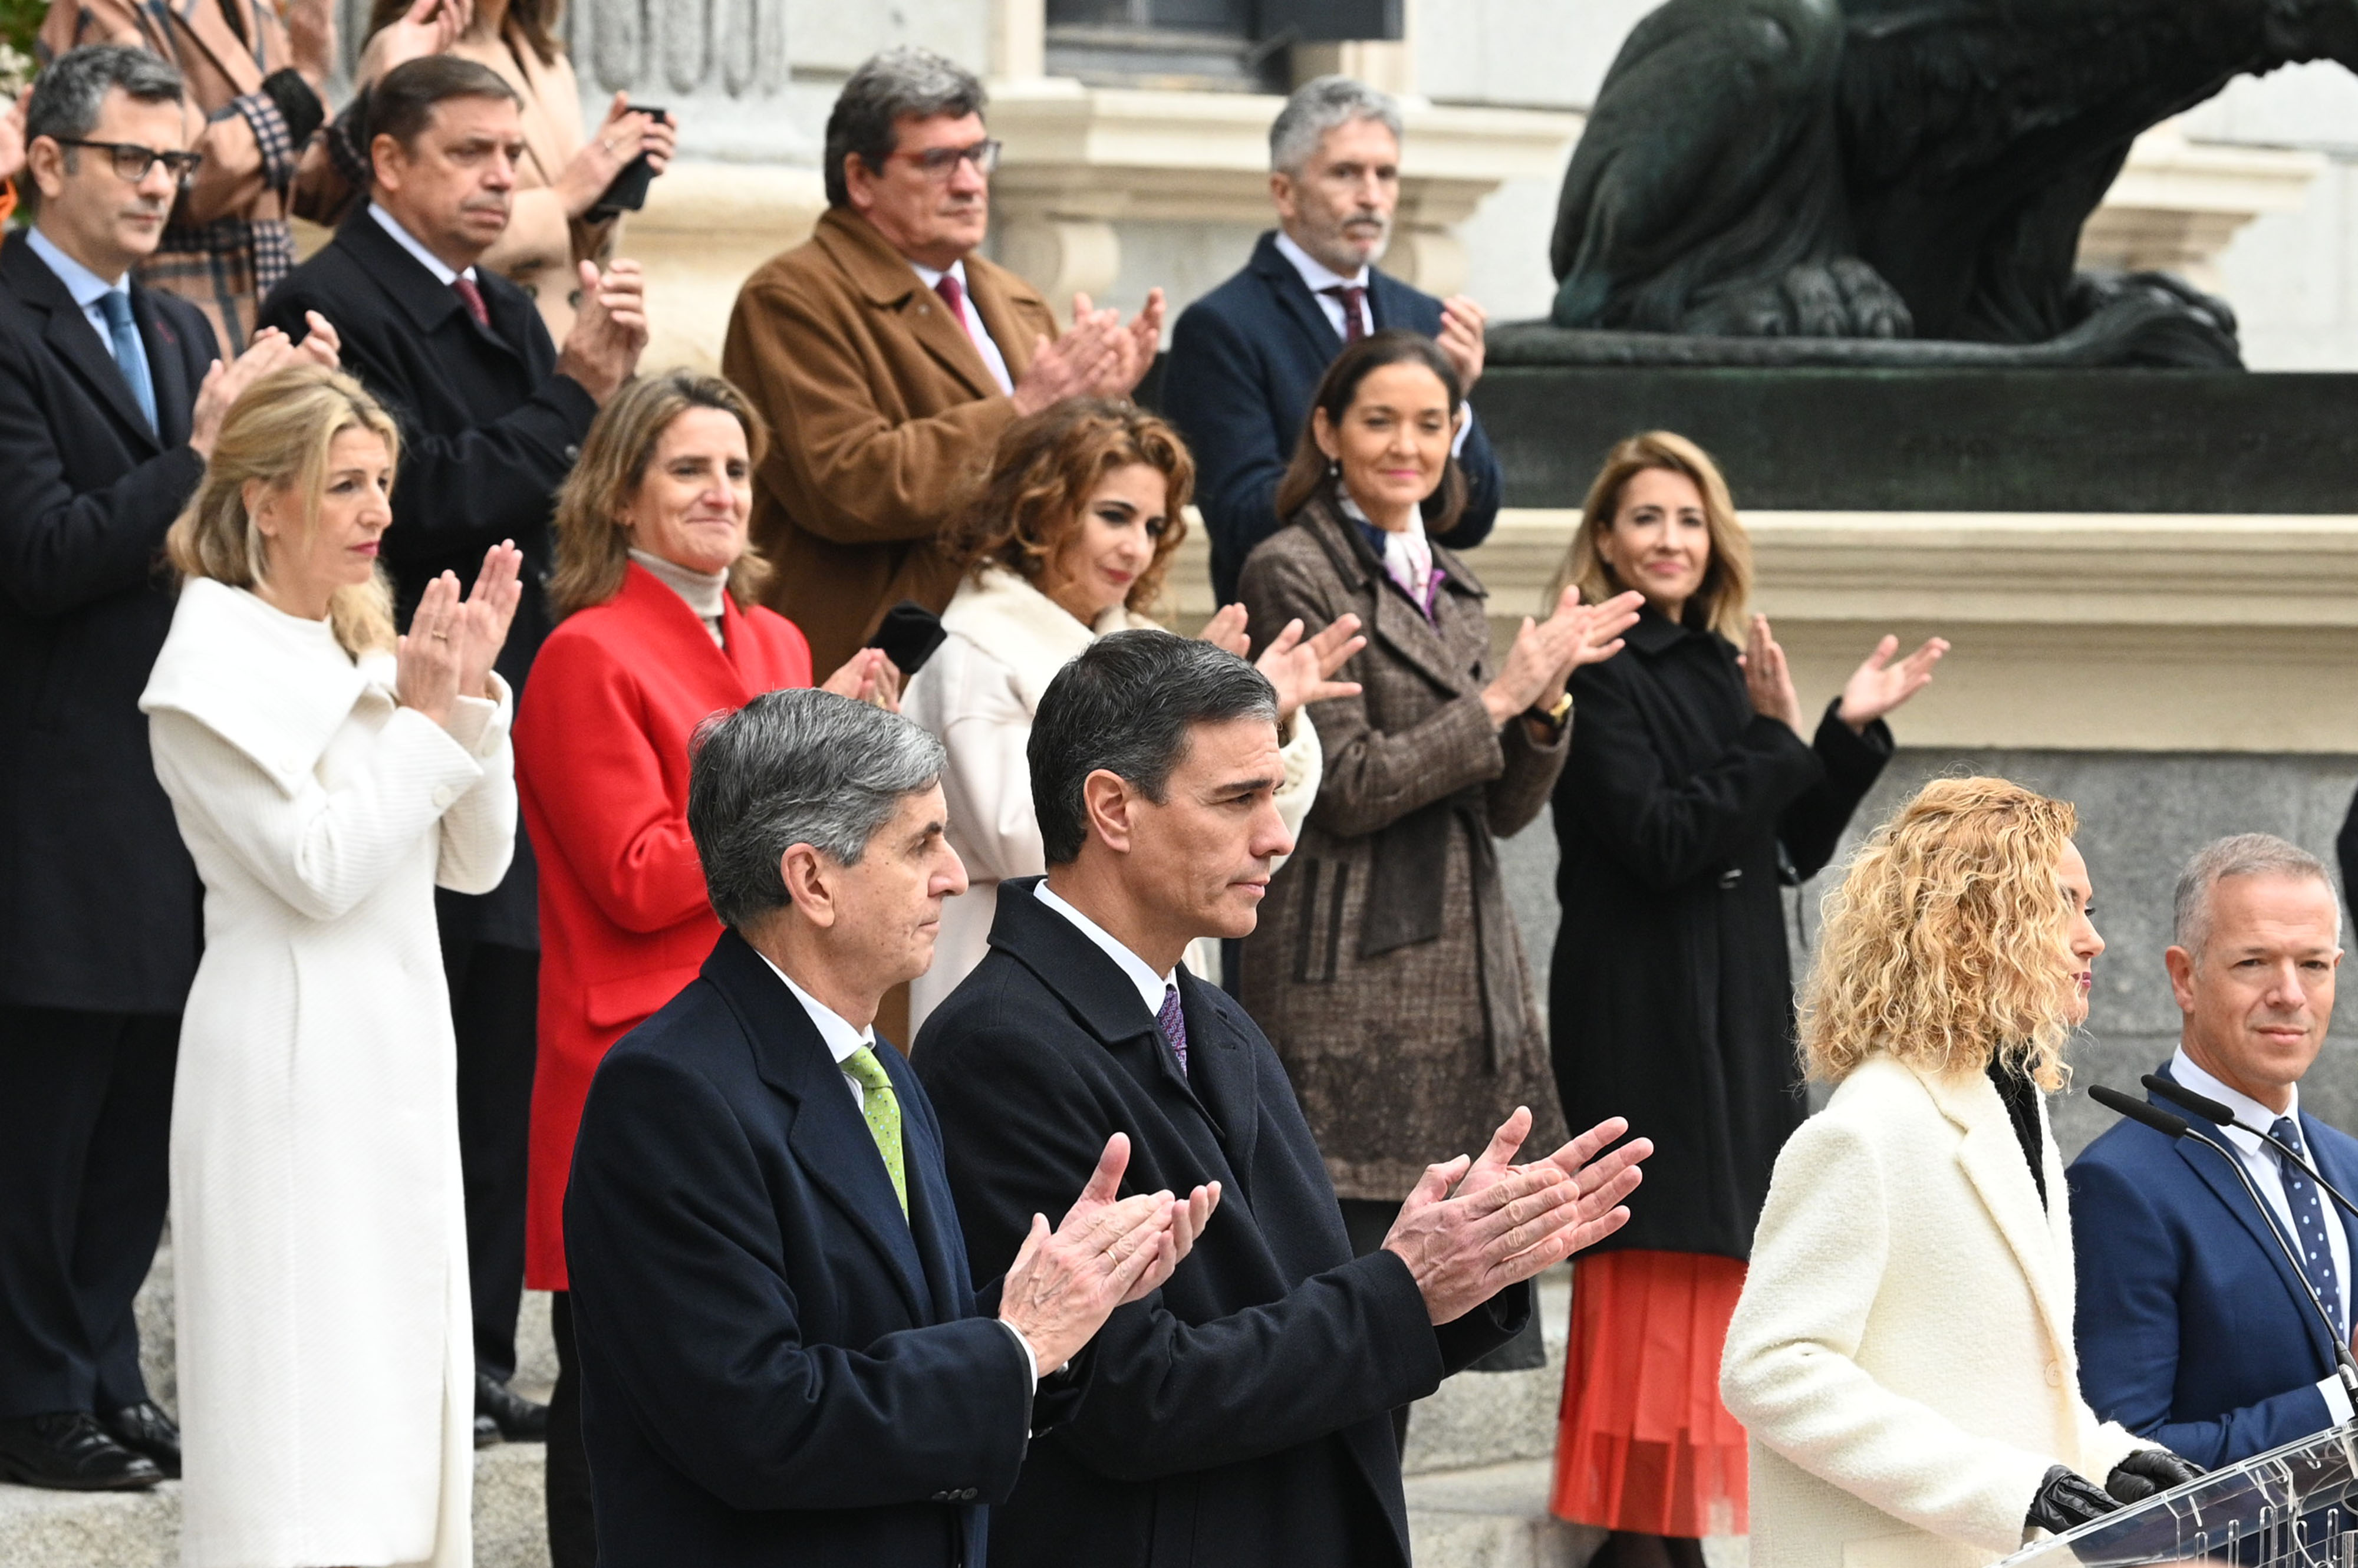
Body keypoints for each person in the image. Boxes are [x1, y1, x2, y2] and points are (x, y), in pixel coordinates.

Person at [915, 630, 1654, 1567]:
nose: (1275, 834)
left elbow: (1294, 1312)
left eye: (1272, 794)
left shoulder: (1217, 1020)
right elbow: (1127, 1400)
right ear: (1111, 809)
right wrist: (1403, 1288)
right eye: (1237, 800)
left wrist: (1464, 1272)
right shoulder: (998, 1047)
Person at [564, 687, 1211, 1567]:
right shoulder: (669, 1094)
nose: (953, 875)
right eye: (919, 845)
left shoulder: (884, 1073)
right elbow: (759, 1420)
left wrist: (1075, 1302)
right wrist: (1017, 1345)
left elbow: (903, 1342)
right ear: (813, 882)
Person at [259, 51, 650, 1441]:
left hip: (507, 715)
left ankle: (480, 1349)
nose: (504, 179)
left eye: (513, 156)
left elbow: (549, 510)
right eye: (473, 155)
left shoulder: (495, 303)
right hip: (394, 719)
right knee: (428, 1050)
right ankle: (428, 1352)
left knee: (502, 1049)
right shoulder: (325, 303)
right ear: (388, 162)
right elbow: (409, 502)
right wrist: (571, 396)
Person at [0, 44, 334, 1493]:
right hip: (47, 778)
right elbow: (42, 555)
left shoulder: (187, 333)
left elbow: (224, 549)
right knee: (46, 1106)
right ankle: (22, 1394)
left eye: (171, 161)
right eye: (129, 159)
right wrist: (200, 463)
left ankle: (100, 1368)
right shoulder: (5, 323)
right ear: (48, 162)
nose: (156, 186)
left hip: (178, 785)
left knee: (145, 1098)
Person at [140, 365, 522, 1568]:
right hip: (285, 1062)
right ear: (263, 498)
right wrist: (417, 723)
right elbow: (316, 866)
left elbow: (471, 863)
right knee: (298, 1411)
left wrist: (467, 704)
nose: (374, 512)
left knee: (394, 1376)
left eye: (383, 485)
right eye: (342, 485)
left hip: (392, 1048)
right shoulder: (203, 671)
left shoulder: (363, 637)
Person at [516, 369, 900, 1564]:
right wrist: (795, 790)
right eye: (688, 467)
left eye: (736, 469)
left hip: (778, 1038)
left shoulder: (782, 636)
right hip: (636, 1050)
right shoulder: (585, 652)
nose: (721, 492)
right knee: (612, 1390)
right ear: (620, 495)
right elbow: (635, 873)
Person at [1545, 430, 1945, 1563]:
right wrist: (1775, 739)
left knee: (1729, 1248)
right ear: (1606, 539)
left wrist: (1841, 734)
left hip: (1733, 997)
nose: (1671, 539)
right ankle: (1640, 1538)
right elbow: (1665, 838)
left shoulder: (1720, 664)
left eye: (1688, 518)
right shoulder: (1599, 665)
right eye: (1646, 518)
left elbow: (1782, 842)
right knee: (1663, 1245)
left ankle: (1668, 1539)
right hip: (1646, 1005)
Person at [1233, 330, 1641, 1380]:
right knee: (1356, 1311)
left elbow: (1502, 806)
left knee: (1437, 1326)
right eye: (1379, 421)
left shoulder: (1455, 582)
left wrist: (1546, 702)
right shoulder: (1295, 566)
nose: (1406, 445)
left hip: (1466, 970)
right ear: (1327, 432)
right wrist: (1503, 694)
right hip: (1348, 975)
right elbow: (1354, 785)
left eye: (1430, 423)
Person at [1721, 777, 2202, 1566]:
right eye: (2065, 906)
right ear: (1976, 922)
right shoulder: (1869, 1127)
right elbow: (1770, 1371)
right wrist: (2011, 1492)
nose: (2094, 940)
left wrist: (2104, 1457)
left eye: (2093, 909)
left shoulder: (2012, 1103)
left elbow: (2009, 1381)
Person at [901, 397, 1356, 1032]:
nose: (1135, 547)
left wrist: (1253, 726)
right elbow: (1037, 844)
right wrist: (1173, 736)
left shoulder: (1140, 642)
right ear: (1041, 507)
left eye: (1152, 525)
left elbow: (1251, 846)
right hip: (1022, 988)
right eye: (1114, 515)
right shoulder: (976, 651)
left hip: (1154, 975)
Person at [723, 45, 1165, 674]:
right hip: (873, 662)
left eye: (977, 154)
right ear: (860, 179)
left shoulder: (1016, 298)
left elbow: (1055, 494)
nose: (968, 181)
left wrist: (1100, 412)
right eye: (936, 161)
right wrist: (1027, 410)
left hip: (1025, 649)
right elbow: (848, 484)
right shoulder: (792, 297)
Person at [2070, 834, 2358, 1467]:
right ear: (2184, 977)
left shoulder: (2349, 1167)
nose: (2289, 993)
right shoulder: (2118, 1184)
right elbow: (2123, 1463)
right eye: (2253, 962)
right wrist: (2342, 1401)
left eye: (2312, 964)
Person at [1164, 75, 1505, 607]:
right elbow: (1240, 517)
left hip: (1421, 637)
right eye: (1346, 173)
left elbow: (1473, 521)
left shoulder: (1424, 317)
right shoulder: (1221, 326)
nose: (1372, 197)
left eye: (1385, 175)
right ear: (1285, 192)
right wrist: (1375, 462)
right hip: (1293, 630)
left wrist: (1453, 402)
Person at [37, 0, 462, 350]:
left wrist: (383, 83)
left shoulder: (258, 12)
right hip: (168, 334)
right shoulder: (104, 8)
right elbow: (171, 179)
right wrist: (304, 80)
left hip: (274, 327)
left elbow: (315, 188)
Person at [342, 0, 675, 342]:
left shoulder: (548, 60)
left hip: (566, 344)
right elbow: (406, 242)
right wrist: (562, 200)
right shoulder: (411, 47)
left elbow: (576, 251)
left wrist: (605, 186)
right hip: (476, 343)